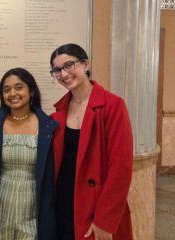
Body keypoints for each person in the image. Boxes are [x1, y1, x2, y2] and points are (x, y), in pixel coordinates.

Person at [49, 43, 133, 240]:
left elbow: (121, 168)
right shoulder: (57, 114)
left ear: (85, 64)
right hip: (64, 203)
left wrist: (105, 220)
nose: (63, 74)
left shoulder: (113, 105)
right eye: (57, 70)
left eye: (69, 65)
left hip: (96, 207)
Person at [0, 68, 58, 240]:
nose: (13, 93)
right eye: (6, 90)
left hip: (33, 209)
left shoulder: (49, 128)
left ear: (32, 91)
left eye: (19, 87)